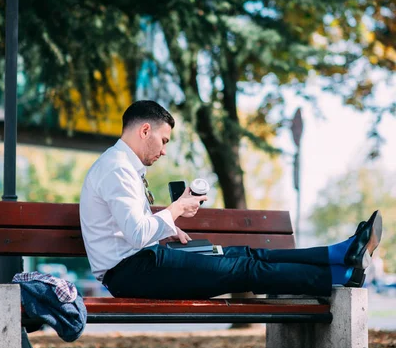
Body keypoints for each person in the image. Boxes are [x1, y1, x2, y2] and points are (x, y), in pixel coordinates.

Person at [79, 100, 383, 300]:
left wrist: (167, 227)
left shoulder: (121, 166)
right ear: (145, 130)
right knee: (243, 270)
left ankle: (340, 253)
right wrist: (176, 210)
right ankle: (342, 273)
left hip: (143, 263)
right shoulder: (116, 169)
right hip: (133, 274)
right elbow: (135, 235)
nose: (164, 151)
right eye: (163, 140)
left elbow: (132, 231)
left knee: (250, 256)